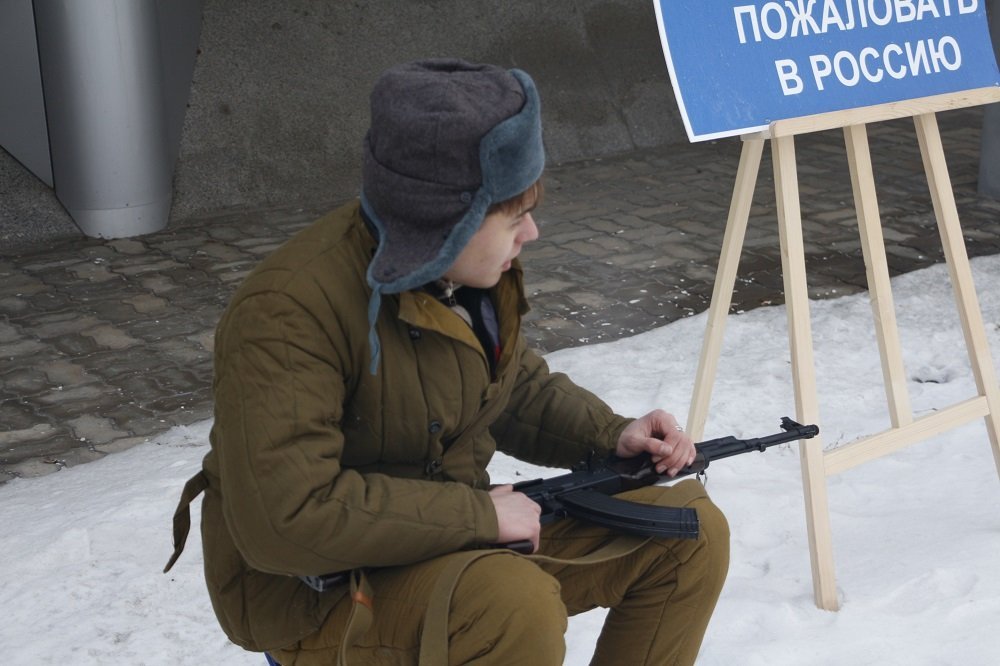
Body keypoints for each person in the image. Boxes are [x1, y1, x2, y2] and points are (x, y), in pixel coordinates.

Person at [165, 58, 729, 665]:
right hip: (316, 591)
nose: (532, 234)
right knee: (513, 607)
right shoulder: (287, 313)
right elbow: (286, 518)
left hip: (450, 539)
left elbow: (510, 386)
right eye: (514, 216)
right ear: (445, 222)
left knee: (689, 532)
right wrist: (477, 515)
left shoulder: (467, 272)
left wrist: (610, 434)